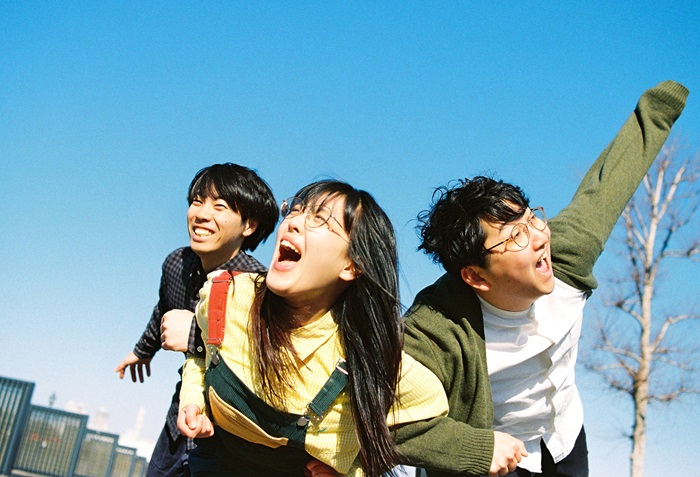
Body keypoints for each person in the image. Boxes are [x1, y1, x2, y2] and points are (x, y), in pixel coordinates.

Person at [395, 80, 689, 477]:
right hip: (491, 457)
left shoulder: (565, 255)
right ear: (475, 276)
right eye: (515, 235)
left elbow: (609, 182)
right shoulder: (435, 329)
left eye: (531, 218)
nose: (538, 237)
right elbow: (372, 412)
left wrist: (664, 101)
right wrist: (474, 448)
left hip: (564, 439)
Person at [177, 180, 449, 477]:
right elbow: (200, 355)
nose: (293, 222)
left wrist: (355, 470)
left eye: (320, 219)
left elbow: (429, 410)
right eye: (295, 210)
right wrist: (192, 398)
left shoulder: (366, 359)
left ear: (351, 266)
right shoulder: (225, 294)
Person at [115, 163, 279, 477]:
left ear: (249, 225)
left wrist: (194, 335)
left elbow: (261, 361)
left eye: (219, 207)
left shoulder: (259, 288)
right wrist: (143, 350)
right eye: (197, 202)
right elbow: (164, 309)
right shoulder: (176, 264)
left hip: (230, 437)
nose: (201, 214)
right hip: (180, 420)